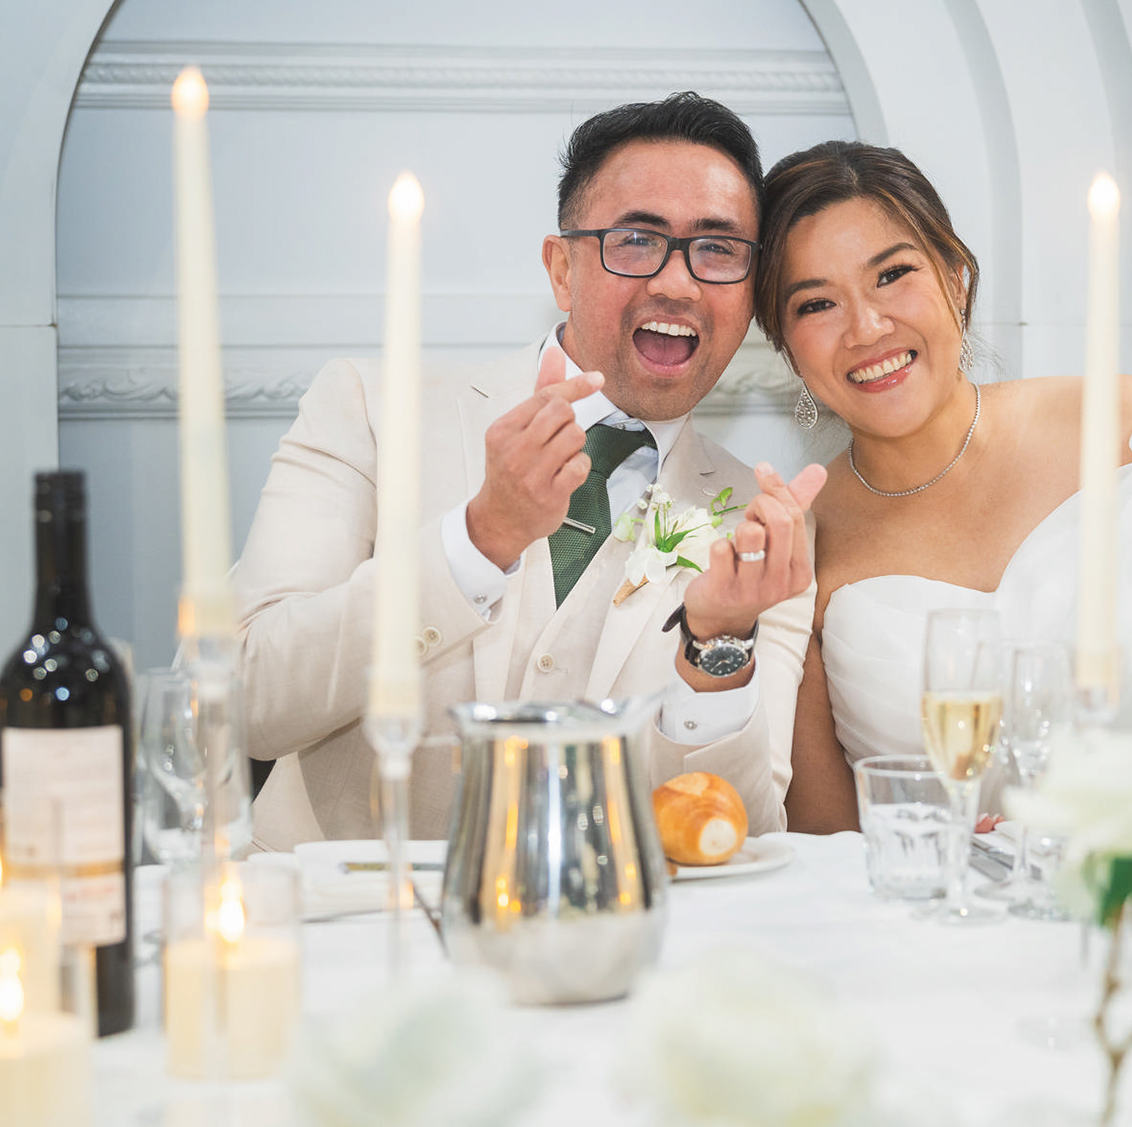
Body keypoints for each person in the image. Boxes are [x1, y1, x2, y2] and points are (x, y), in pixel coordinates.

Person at [233, 93, 825, 848]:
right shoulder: (368, 408)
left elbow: (745, 830)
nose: (678, 283)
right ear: (562, 269)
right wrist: (478, 539)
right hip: (354, 909)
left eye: (717, 249)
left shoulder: (764, 523)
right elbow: (246, 700)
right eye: (636, 240)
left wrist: (719, 643)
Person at [749, 141, 1132, 834]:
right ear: (786, 346)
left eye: (892, 274)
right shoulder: (801, 542)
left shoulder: (1123, 429)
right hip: (962, 900)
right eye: (817, 304)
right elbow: (826, 839)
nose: (866, 327)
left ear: (956, 279)